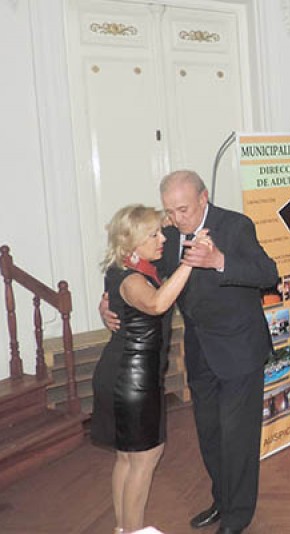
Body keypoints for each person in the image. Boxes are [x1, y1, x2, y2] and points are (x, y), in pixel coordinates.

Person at [101, 170, 279, 534]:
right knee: (210, 434)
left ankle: (237, 516)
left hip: (239, 348)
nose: (175, 218)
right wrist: (107, 305)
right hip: (200, 350)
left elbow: (267, 273)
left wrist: (219, 261)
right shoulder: (167, 235)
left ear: (203, 197)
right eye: (169, 211)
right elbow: (135, 274)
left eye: (183, 209)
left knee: (237, 437)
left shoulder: (235, 226)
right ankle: (222, 500)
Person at [91, 204, 197, 533]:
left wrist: (169, 214)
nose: (162, 238)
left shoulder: (124, 266)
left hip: (121, 371)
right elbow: (156, 303)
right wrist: (190, 262)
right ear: (132, 241)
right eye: (153, 235)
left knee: (127, 457)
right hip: (132, 378)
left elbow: (125, 303)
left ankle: (123, 529)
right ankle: (134, 530)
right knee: (145, 458)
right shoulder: (133, 278)